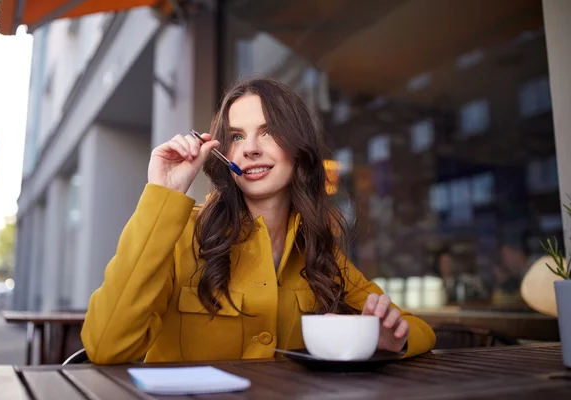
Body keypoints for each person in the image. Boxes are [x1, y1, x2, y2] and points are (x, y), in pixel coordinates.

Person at [81, 77, 435, 364]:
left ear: (298, 150)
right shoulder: (181, 232)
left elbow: (418, 330)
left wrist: (391, 338)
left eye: (267, 131)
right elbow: (105, 345)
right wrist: (163, 193)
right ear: (224, 154)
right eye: (236, 136)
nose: (250, 148)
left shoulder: (319, 254)